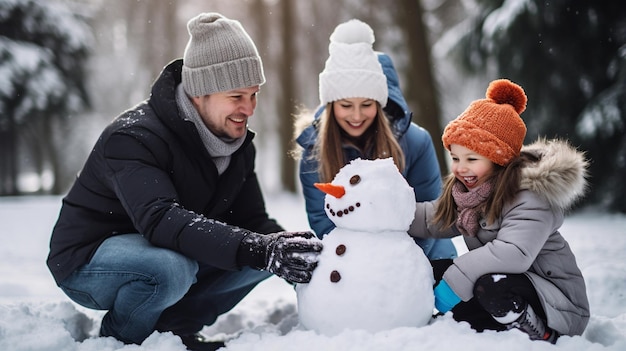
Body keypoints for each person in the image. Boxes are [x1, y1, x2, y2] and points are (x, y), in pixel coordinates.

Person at [46, 12, 322, 351]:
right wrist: (258, 249)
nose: (248, 108)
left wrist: (295, 255)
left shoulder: (235, 147)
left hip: (166, 251)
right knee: (171, 268)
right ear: (199, 92)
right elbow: (160, 219)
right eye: (236, 96)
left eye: (254, 94)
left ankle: (173, 333)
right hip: (89, 260)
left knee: (263, 250)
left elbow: (252, 221)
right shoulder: (134, 137)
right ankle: (121, 340)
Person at [408, 79, 590, 343]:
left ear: (498, 160)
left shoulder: (530, 196)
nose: (460, 168)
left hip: (557, 303)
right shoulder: (471, 194)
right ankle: (484, 325)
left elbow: (513, 253)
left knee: (492, 285)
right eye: (456, 158)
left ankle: (542, 334)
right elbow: (432, 219)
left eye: (472, 159)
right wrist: (390, 211)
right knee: (431, 272)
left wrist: (457, 276)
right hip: (503, 285)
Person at [294, 19, 456, 260]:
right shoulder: (314, 152)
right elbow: (323, 223)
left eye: (367, 104)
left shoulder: (415, 142)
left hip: (423, 256)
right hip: (352, 262)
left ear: (380, 105)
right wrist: (364, 266)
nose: (357, 115)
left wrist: (398, 264)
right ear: (330, 105)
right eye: (346, 105)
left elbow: (431, 217)